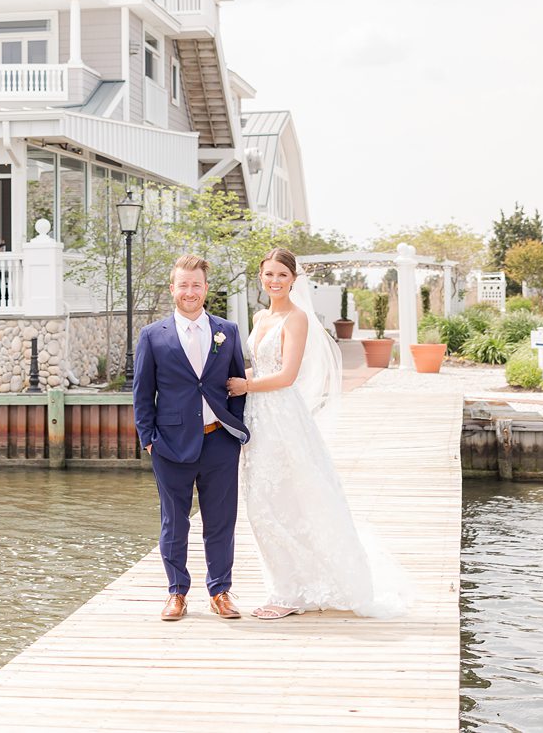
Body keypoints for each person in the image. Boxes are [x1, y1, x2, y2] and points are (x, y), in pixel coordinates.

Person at [226, 247, 415, 620]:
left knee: (287, 501)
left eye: (282, 274)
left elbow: (286, 376)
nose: (275, 281)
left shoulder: (296, 319)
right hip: (257, 417)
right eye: (268, 274)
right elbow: (259, 366)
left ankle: (291, 594)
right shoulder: (259, 315)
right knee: (262, 504)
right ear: (260, 277)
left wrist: (246, 386)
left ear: (293, 279)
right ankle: (291, 582)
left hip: (281, 417)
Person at [131, 254, 248, 621]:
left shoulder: (226, 331)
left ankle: (220, 592)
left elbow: (237, 384)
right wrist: (148, 439)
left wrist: (234, 430)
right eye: (183, 284)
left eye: (196, 284)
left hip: (219, 443)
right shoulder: (152, 336)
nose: (190, 291)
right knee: (174, 522)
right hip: (170, 445)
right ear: (172, 289)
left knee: (221, 521)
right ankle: (177, 593)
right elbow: (141, 393)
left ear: (206, 288)